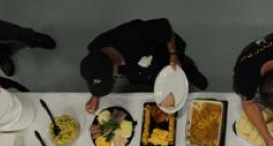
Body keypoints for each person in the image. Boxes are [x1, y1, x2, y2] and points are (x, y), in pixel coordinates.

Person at [80, 18, 208, 114]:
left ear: (112, 66)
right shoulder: (94, 50)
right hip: (143, 73)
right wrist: (96, 95)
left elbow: (166, 27)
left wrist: (173, 54)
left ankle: (192, 74)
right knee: (158, 84)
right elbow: (97, 73)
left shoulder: (135, 35)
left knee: (182, 67)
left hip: (164, 55)